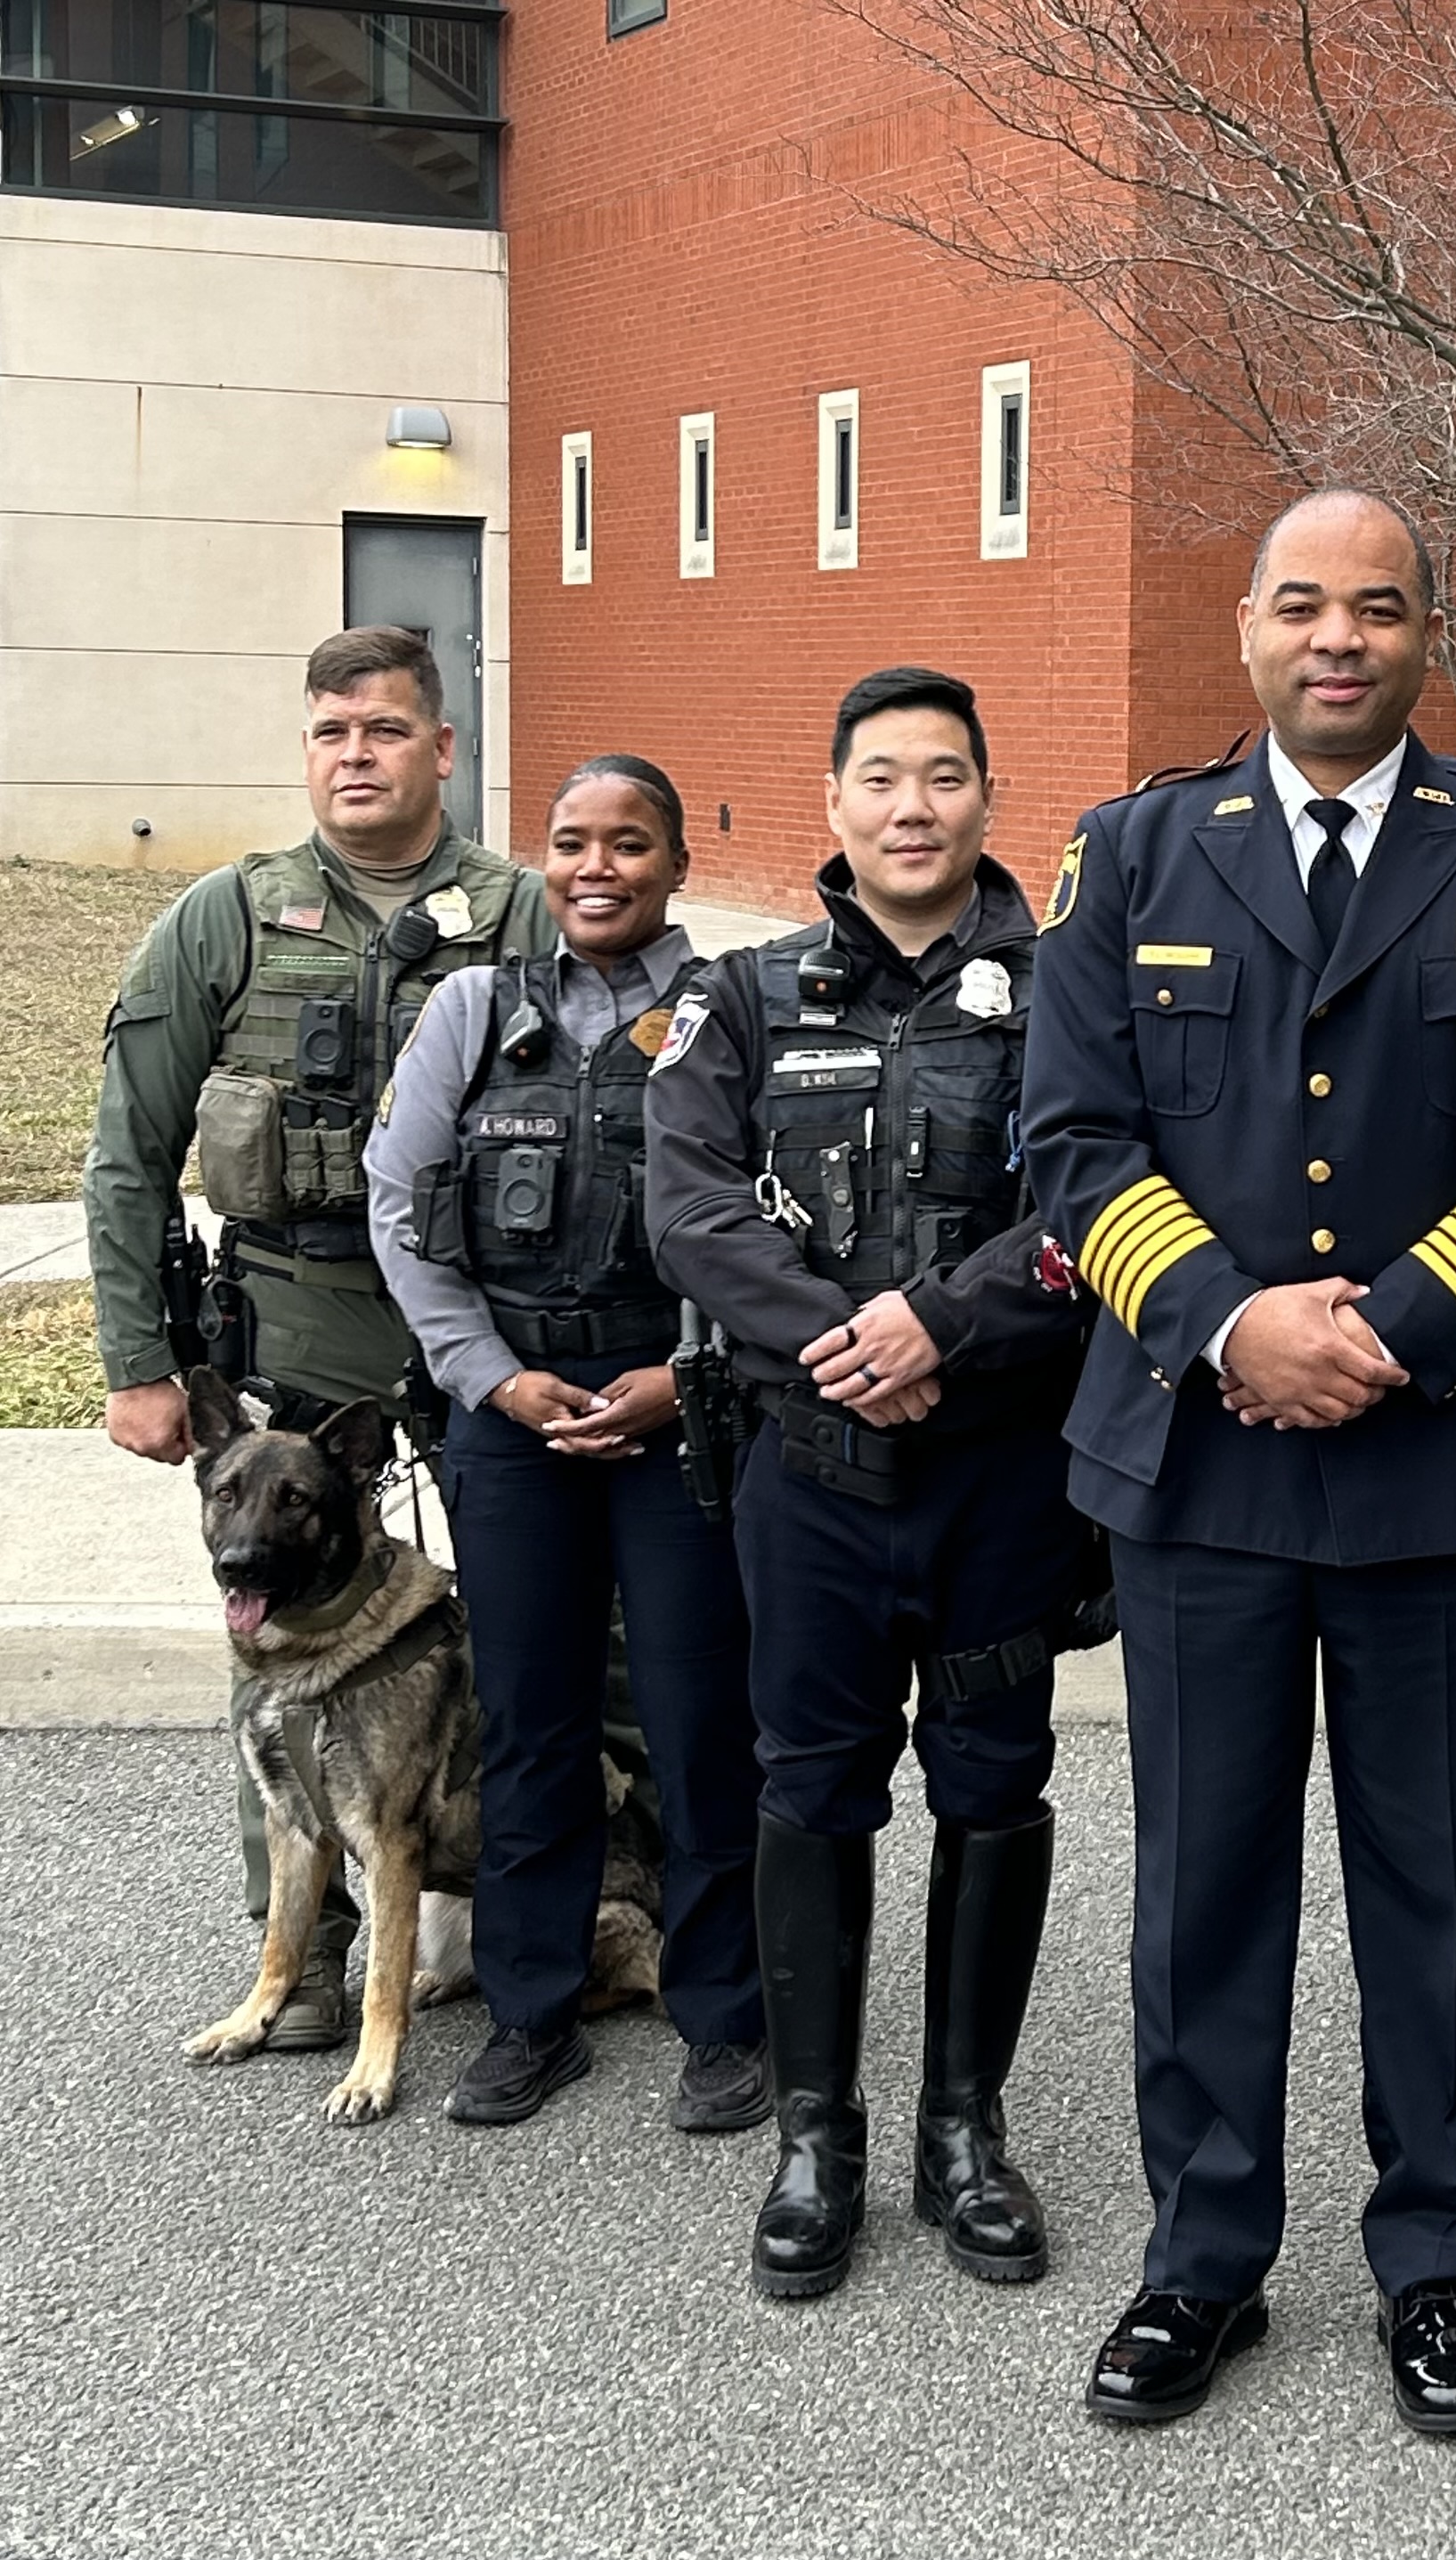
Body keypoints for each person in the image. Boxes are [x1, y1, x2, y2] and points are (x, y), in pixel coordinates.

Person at [1021, 489, 1456, 2434]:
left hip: (1441, 1462)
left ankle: (1436, 2264)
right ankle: (1201, 2262)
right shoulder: (1127, 855)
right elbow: (1070, 1137)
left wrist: (1382, 1329)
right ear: (1246, 628)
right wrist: (1231, 1324)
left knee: (1438, 1889)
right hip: (1201, 1464)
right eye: (1302, 604)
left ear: (1420, 633)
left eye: (1377, 608)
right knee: (1202, 1882)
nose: (1338, 638)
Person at [642, 666, 1094, 2298]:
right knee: (810, 1786)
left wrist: (939, 1326)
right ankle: (814, 2135)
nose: (915, 808)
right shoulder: (747, 997)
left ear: (986, 798)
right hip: (813, 1474)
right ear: (833, 805)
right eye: (884, 779)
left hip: (998, 1477)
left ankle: (962, 2130)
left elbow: (1096, 1203)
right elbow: (689, 1208)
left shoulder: (1067, 991)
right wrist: (854, 1341)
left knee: (993, 1782)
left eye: (946, 778)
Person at [85, 626, 552, 2050]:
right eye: (333, 732)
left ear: (443, 748)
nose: (358, 755)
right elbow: (129, 1152)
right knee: (283, 1624)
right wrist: (134, 1360)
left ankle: (556, 1907)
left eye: (388, 730)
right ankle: (303, 1946)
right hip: (296, 1307)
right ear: (308, 749)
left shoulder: (526, 910)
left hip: (490, 1309)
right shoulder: (226, 915)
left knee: (546, 1623)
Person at [363, 754, 765, 2130]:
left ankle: (724, 2009)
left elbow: (772, 1224)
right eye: (570, 842)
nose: (597, 867)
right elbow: (400, 1206)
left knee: (701, 1715)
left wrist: (684, 1370)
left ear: (675, 865)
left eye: (629, 844)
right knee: (530, 1718)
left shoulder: (735, 1012)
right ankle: (532, 2007)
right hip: (510, 1414)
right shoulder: (474, 1008)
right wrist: (492, 1378)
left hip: (679, 1408)